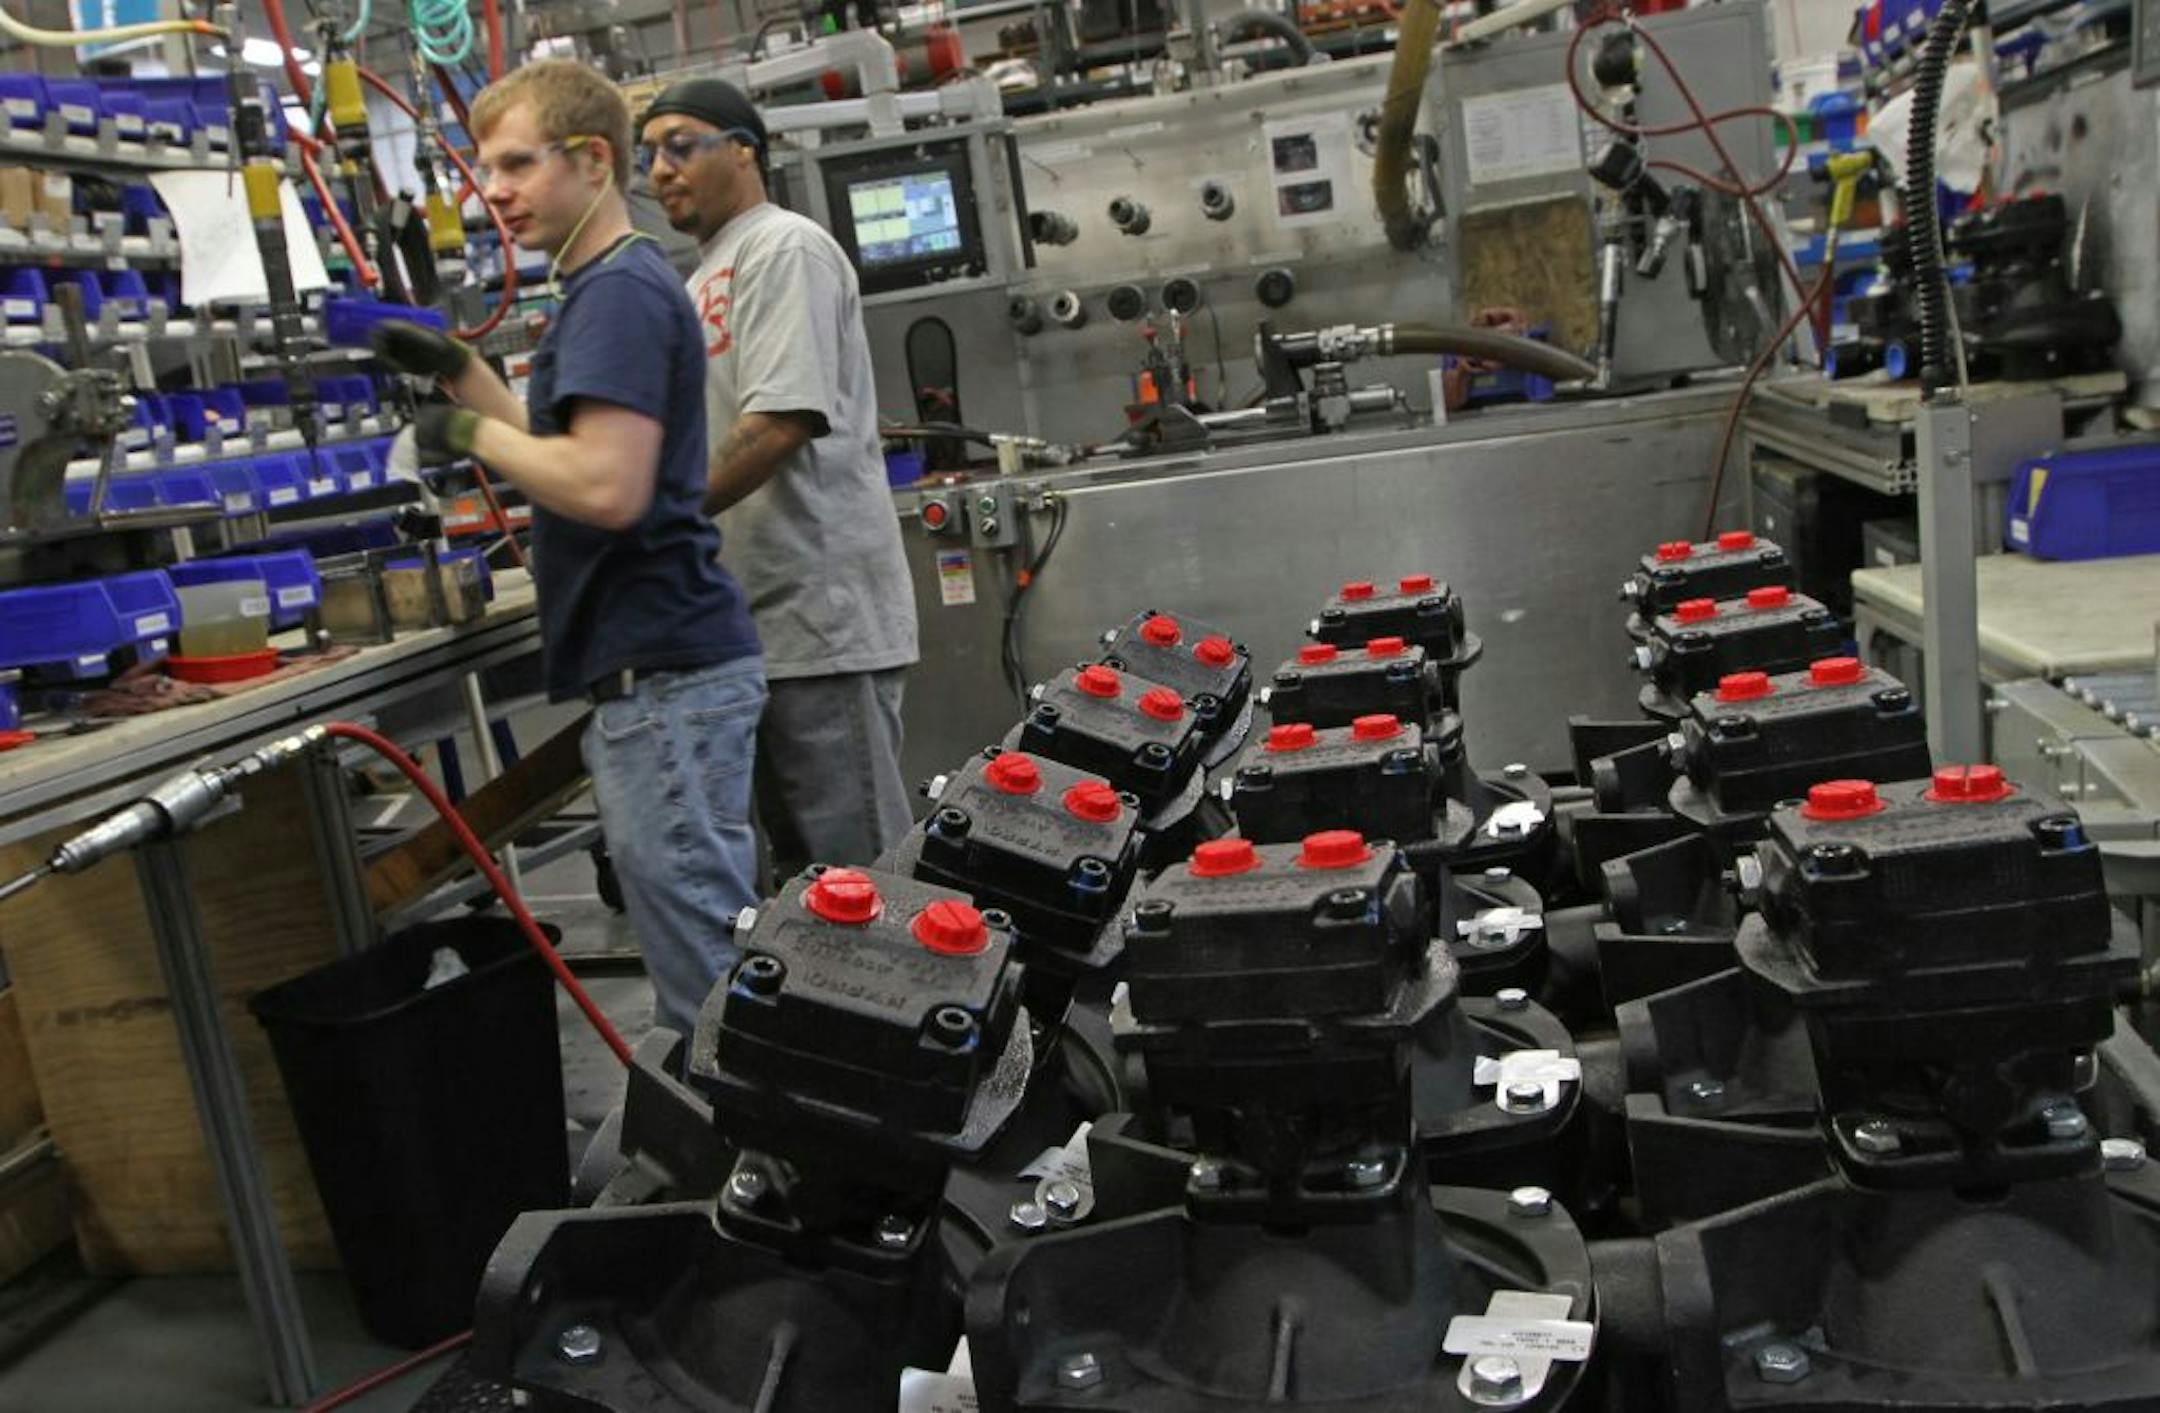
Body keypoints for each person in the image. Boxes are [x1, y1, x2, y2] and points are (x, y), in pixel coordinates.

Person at [369, 60, 764, 1041]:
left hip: (664, 681)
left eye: (515, 164)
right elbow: (564, 455)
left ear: (593, 160)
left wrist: (462, 440)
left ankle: (754, 1175)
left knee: (703, 985)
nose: (490, 190)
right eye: (483, 168)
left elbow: (606, 486)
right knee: (702, 961)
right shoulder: (603, 287)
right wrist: (463, 375)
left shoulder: (619, 295)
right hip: (662, 675)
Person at [635, 79, 920, 883]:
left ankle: (907, 1010)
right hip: (756, 622)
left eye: (681, 144)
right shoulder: (700, 281)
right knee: (806, 884)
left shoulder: (783, 248)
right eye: (650, 153)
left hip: (818, 614)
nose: (660, 169)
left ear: (744, 151)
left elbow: (779, 424)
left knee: (857, 871)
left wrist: (651, 519)